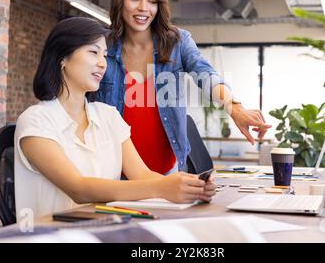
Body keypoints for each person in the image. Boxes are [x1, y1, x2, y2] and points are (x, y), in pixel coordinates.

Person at [14, 17, 215, 220]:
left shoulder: (108, 115)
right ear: (62, 58)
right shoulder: (35, 121)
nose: (102, 63)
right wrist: (161, 187)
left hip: (106, 232)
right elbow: (79, 188)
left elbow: (142, 175)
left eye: (105, 55)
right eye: (93, 52)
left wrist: (191, 186)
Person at [97, 0, 271, 174]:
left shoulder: (177, 43)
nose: (144, 8)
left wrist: (235, 109)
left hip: (169, 175)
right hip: (112, 173)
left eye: (152, 1)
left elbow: (205, 75)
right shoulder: (101, 46)